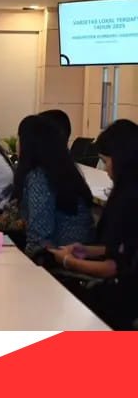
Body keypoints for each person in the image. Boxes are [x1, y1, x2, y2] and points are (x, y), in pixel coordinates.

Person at [48, 120, 138, 330]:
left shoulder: (128, 201)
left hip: (122, 299)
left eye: (106, 162)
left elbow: (113, 268)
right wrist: (86, 250)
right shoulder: (128, 191)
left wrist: (68, 261)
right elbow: (121, 248)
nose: (106, 170)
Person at [14, 115, 94, 257]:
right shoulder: (60, 169)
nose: (17, 143)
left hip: (62, 259)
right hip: (72, 255)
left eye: (19, 138)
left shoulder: (39, 177)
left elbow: (39, 238)